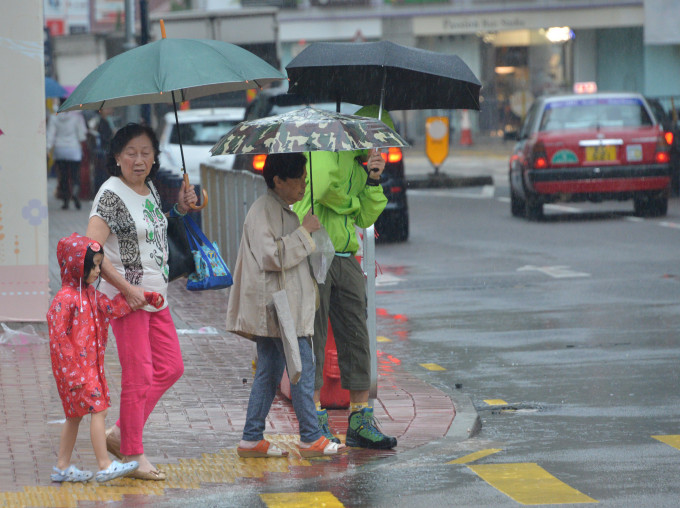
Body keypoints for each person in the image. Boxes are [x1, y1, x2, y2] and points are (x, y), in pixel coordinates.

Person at [85, 123, 197, 480]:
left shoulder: (148, 188)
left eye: (145, 152)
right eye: (130, 153)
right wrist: (126, 289)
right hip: (126, 300)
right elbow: (91, 252)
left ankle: (120, 433)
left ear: (154, 157)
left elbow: (153, 229)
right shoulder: (111, 194)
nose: (138, 159)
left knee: (171, 367)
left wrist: (177, 210)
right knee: (140, 375)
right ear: (117, 157)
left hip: (155, 296)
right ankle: (133, 453)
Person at [226, 153, 346, 458]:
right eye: (299, 180)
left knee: (268, 373)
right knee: (302, 367)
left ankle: (251, 438)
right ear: (278, 180)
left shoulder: (282, 210)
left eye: (306, 179)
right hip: (278, 309)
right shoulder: (263, 210)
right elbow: (272, 257)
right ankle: (310, 436)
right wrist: (305, 232)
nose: (304, 185)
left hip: (278, 308)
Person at [292, 105, 398, 449]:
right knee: (315, 337)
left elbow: (366, 214)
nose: (377, 149)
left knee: (357, 336)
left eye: (383, 144)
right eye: (374, 140)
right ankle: (316, 417)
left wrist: (373, 179)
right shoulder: (327, 151)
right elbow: (323, 191)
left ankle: (360, 418)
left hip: (345, 256)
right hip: (315, 254)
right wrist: (351, 201)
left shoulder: (359, 165)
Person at [47, 233, 164, 483]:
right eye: (95, 265)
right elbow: (59, 341)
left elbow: (113, 308)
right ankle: (104, 464)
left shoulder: (91, 295)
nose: (99, 270)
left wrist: (145, 298)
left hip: (88, 369)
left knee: (74, 416)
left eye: (100, 264)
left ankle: (62, 467)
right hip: (77, 372)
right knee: (98, 410)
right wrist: (74, 374)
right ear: (78, 265)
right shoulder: (64, 300)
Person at [47, 101, 87, 210]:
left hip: (59, 150)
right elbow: (82, 135)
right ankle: (74, 193)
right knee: (75, 175)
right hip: (74, 150)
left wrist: (48, 148)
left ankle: (65, 201)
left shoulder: (54, 117)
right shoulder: (77, 117)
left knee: (63, 177)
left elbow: (50, 134)